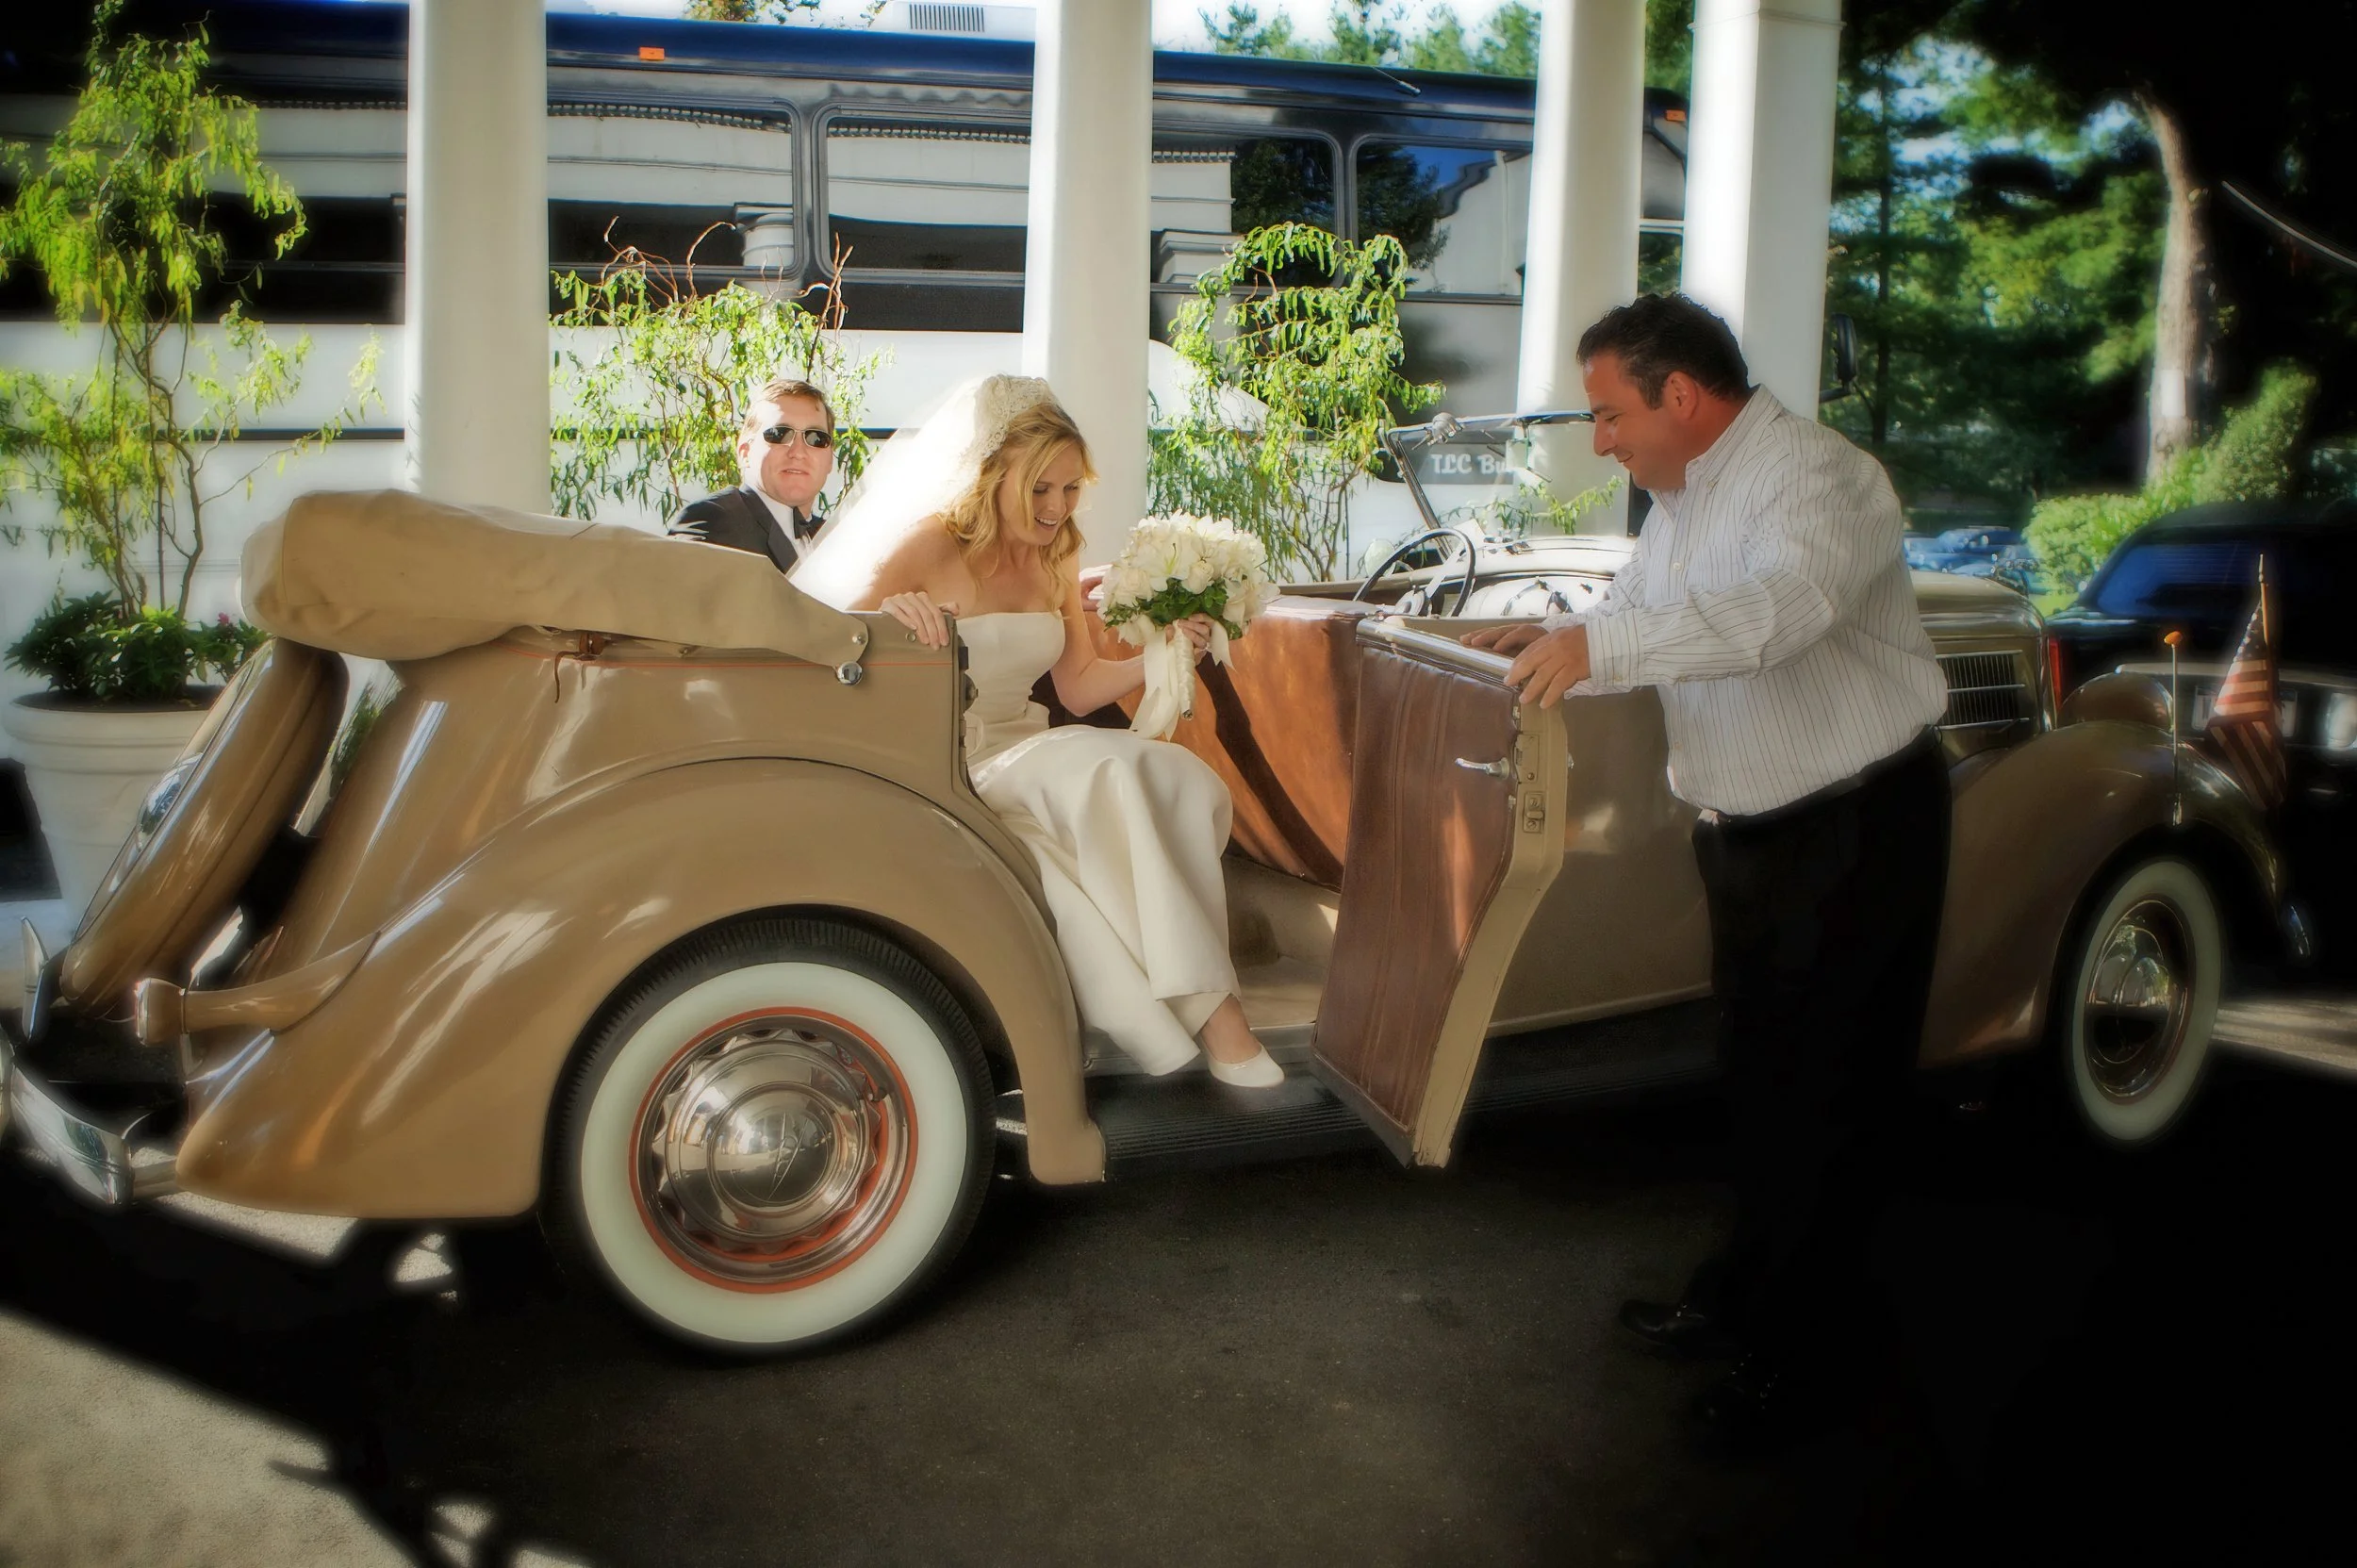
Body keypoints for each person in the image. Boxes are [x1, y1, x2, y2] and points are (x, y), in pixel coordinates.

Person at [1465, 294, 1951, 1448]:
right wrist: (1549, 635)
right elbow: (1638, 609)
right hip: (1750, 835)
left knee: (1831, 1100)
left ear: (1679, 395)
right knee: (1762, 1082)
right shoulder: (1681, 497)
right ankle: (1748, 1299)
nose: (1601, 441)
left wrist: (1601, 647)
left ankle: (1807, 1367)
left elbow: (1776, 613)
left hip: (1853, 827)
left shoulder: (1822, 477)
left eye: (1607, 413)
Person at [795, 374, 1283, 1088]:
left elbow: (1079, 685)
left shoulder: (1057, 554)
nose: (1057, 509)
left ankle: (1195, 1000)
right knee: (1107, 772)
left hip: (1031, 746)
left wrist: (1161, 648)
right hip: (950, 759)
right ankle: (1220, 1018)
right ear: (993, 477)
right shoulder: (928, 545)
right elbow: (826, 648)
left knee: (1174, 773)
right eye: (1040, 490)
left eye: (1070, 488)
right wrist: (887, 618)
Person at [667, 377, 837, 572]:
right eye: (779, 434)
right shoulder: (711, 521)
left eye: (816, 438)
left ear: (830, 459)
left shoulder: (835, 540)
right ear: (745, 452)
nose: (798, 451)